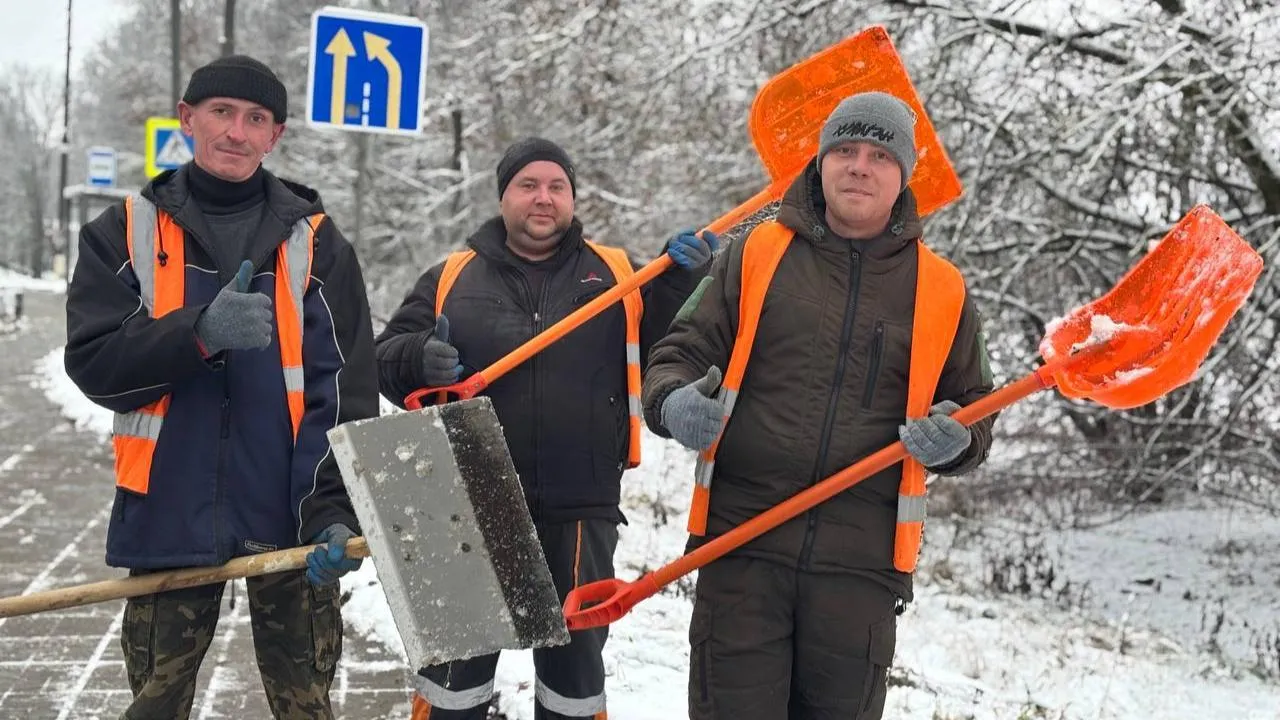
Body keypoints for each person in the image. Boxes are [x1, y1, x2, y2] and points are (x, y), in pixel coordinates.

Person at [641, 91, 997, 719]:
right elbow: (678, 351)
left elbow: (978, 406)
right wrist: (672, 404)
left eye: (880, 155)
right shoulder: (755, 253)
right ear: (821, 161)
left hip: (860, 572)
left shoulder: (941, 288)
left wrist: (959, 438)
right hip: (740, 549)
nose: (860, 166)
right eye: (846, 150)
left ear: (905, 174)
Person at [63, 55, 377, 720]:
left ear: (276, 136)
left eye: (255, 118)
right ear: (187, 119)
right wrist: (197, 333)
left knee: (307, 707)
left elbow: (348, 390)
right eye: (221, 113)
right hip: (167, 519)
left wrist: (335, 508)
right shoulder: (123, 232)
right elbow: (94, 366)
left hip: (291, 524)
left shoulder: (319, 245)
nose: (236, 132)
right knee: (155, 704)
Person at [375, 137, 715, 720]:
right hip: (462, 503)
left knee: (574, 678)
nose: (544, 197)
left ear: (572, 198)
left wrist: (681, 280)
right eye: (528, 185)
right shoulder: (452, 276)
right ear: (503, 196)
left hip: (579, 504)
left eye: (557, 186)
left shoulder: (620, 273)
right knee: (454, 677)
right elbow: (385, 359)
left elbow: (670, 345)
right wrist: (418, 359)